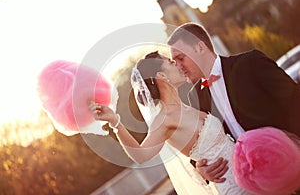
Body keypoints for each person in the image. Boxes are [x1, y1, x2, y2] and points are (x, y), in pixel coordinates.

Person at [89, 51, 250, 195]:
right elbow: (141, 155)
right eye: (171, 63)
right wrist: (115, 122)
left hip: (248, 171)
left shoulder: (188, 105)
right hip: (232, 187)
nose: (178, 65)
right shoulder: (164, 119)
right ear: (162, 76)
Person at [167, 22, 300, 184]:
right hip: (253, 183)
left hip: (292, 159)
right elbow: (199, 146)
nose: (179, 67)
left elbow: (294, 99)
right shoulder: (194, 97)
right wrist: (200, 169)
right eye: (174, 62)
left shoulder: (250, 63)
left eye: (181, 58)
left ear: (200, 47)